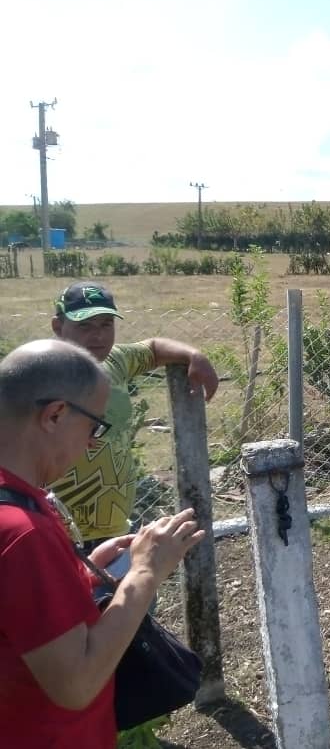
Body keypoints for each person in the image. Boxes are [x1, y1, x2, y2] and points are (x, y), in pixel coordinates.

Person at [0, 339, 204, 748]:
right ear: (55, 415)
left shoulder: (17, 502)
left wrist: (84, 576)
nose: (93, 442)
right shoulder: (23, 532)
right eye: (95, 426)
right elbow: (76, 683)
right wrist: (145, 572)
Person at [47, 281, 219, 556]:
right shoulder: (38, 376)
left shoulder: (115, 361)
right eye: (85, 326)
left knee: (130, 596)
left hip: (116, 529)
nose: (98, 336)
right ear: (58, 327)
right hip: (60, 536)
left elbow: (152, 348)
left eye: (106, 324)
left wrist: (193, 355)